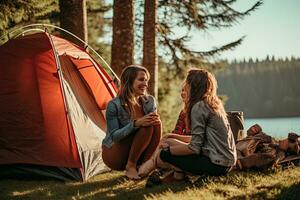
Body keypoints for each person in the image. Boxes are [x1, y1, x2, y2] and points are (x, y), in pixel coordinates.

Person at [139, 68, 237, 178]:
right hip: (225, 162)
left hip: (216, 164)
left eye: (187, 83)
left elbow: (194, 148)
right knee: (169, 141)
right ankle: (176, 175)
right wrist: (170, 139)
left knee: (163, 155)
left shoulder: (199, 107)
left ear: (193, 86)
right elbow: (200, 140)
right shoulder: (212, 104)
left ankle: (153, 169)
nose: (185, 86)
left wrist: (168, 150)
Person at [102, 65, 161, 179]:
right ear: (129, 81)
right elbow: (114, 136)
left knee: (154, 123)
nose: (145, 84)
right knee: (146, 125)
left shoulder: (149, 101)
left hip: (137, 150)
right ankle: (131, 165)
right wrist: (135, 124)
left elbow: (154, 129)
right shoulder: (114, 105)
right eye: (141, 79)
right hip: (114, 153)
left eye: (146, 80)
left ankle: (145, 165)